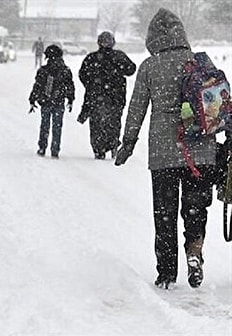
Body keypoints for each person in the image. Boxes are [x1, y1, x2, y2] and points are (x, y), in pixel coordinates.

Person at [114, 8, 217, 290]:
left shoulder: (150, 66)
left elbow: (136, 109)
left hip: (163, 154)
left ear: (152, 37)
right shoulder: (198, 62)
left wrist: (127, 144)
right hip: (201, 150)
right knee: (195, 209)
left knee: (165, 213)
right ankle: (194, 251)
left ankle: (166, 273)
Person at [78, 31, 136, 160]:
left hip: (96, 98)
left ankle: (99, 149)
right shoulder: (119, 56)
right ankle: (113, 144)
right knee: (114, 123)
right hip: (116, 98)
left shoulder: (91, 58)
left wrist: (91, 85)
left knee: (97, 124)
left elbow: (82, 74)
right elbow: (131, 69)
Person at [28, 45, 75, 158]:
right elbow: (70, 86)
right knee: (57, 126)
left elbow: (37, 86)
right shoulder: (65, 70)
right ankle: (55, 149)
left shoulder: (44, 70)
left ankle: (42, 147)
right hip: (59, 101)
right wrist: (70, 98)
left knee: (45, 125)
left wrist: (33, 99)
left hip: (46, 101)